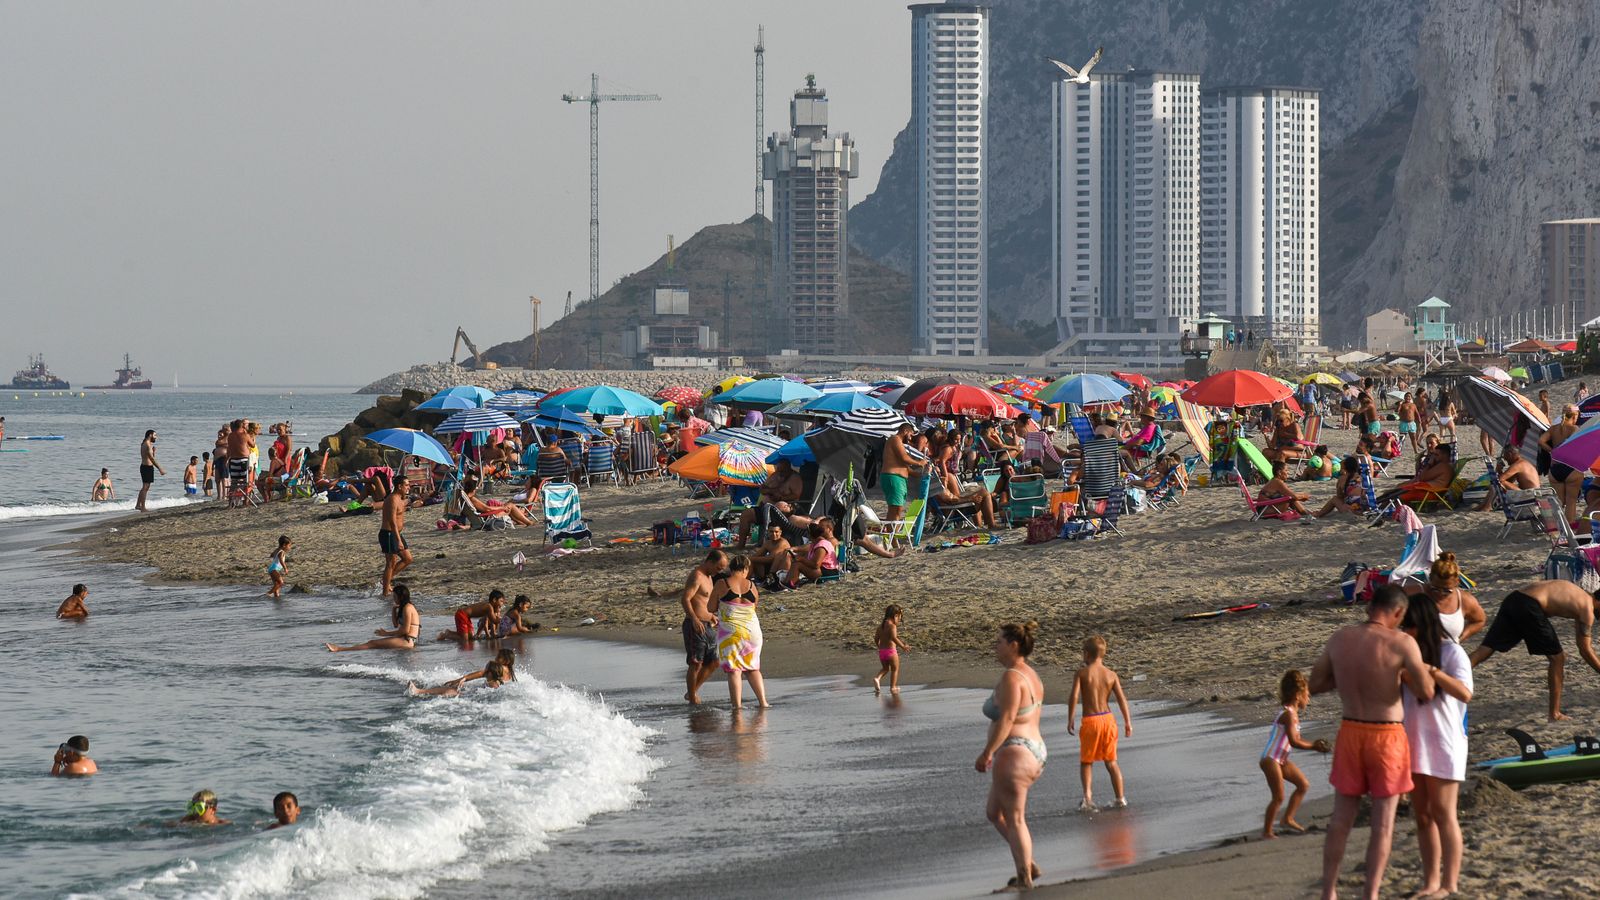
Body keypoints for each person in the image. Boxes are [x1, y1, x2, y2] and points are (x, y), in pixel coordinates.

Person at [1310, 585, 1435, 900]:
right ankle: (1371, 893)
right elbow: (1426, 692)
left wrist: (1349, 677)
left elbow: (1316, 683)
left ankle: (1329, 891)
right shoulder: (1402, 642)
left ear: (1370, 607)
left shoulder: (1340, 639)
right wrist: (1403, 674)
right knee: (1382, 824)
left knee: (1341, 820)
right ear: (1398, 612)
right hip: (1386, 734)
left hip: (1351, 728)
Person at [1400, 589, 1474, 900]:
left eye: (1409, 625)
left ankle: (1450, 883)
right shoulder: (1406, 654)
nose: (1405, 631)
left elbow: (1465, 693)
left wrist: (1432, 672)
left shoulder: (1452, 652)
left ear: (1423, 624)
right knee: (1423, 816)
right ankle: (1430, 882)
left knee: (1444, 814)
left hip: (1445, 741)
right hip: (1413, 741)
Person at [976, 621, 1046, 892]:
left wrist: (987, 752)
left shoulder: (1012, 678)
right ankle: (1029, 864)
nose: (995, 646)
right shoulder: (1030, 675)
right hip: (1033, 750)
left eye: (999, 642)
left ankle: (1025, 879)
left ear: (1014, 645)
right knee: (994, 813)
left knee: (1015, 818)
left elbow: (1006, 719)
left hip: (1016, 753)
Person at [1468, 579, 1600, 721]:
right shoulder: (1587, 609)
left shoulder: (1581, 596)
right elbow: (1585, 650)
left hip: (1514, 599)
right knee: (1557, 658)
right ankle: (1554, 714)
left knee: (1486, 648)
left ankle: (1453, 674)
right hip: (1530, 605)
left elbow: (1582, 645)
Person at [1259, 670, 1330, 839]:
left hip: (1281, 759)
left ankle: (1287, 818)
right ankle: (1267, 832)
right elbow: (1294, 741)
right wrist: (1314, 746)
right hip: (1270, 759)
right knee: (1278, 797)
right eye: (1307, 694)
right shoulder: (1288, 715)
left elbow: (1295, 739)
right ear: (1298, 695)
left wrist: (1314, 745)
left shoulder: (1293, 714)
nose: (1309, 698)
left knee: (1303, 785)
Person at [1067, 635, 1132, 810]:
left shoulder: (1082, 673)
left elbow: (1074, 696)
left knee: (1086, 761)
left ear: (1087, 654)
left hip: (1091, 721)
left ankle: (1088, 798)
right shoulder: (1111, 674)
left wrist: (1071, 717)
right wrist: (1127, 722)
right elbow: (1121, 699)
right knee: (1111, 761)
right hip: (1108, 720)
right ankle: (1120, 798)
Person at [711, 554, 770, 709]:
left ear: (731, 568)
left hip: (731, 632)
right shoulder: (751, 585)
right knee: (753, 668)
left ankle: (737, 706)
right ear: (745, 569)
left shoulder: (722, 583)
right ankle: (763, 702)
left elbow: (710, 607)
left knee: (734, 670)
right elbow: (753, 606)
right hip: (752, 631)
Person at [1403, 552, 1485, 644]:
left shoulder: (1464, 600)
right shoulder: (1413, 593)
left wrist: (1460, 638)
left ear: (1457, 582)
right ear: (1430, 578)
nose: (1441, 593)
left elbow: (1479, 621)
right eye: (1435, 589)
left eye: (1447, 591)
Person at [681, 551, 726, 705]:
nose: (719, 571)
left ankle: (692, 692)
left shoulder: (709, 577)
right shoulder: (697, 576)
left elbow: (703, 601)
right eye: (718, 568)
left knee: (714, 661)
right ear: (710, 562)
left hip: (708, 624)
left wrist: (711, 616)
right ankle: (693, 698)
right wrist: (694, 618)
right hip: (695, 625)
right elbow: (685, 599)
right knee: (696, 662)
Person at [326, 583, 420, 652]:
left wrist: (386, 633)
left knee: (372, 643)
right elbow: (396, 625)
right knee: (377, 648)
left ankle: (339, 649)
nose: (393, 599)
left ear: (401, 597)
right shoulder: (403, 607)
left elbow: (405, 631)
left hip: (407, 641)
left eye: (395, 597)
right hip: (404, 639)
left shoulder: (408, 608)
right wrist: (393, 610)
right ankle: (341, 649)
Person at [736, 459, 803, 547]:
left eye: (782, 470)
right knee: (745, 514)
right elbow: (762, 489)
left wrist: (781, 497)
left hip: (780, 512)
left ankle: (767, 543)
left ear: (788, 468)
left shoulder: (795, 478)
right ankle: (741, 545)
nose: (780, 472)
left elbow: (796, 495)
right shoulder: (774, 475)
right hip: (765, 507)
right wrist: (771, 491)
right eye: (778, 470)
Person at [1540, 405, 1583, 523]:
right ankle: (1570, 527)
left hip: (1555, 468)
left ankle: (1559, 526)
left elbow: (1541, 441)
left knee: (1559, 502)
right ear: (1575, 416)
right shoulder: (1575, 429)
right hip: (1571, 468)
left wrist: (1552, 451)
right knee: (1571, 501)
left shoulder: (1553, 429)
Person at [779, 518, 841, 589]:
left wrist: (801, 559)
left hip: (827, 573)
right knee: (796, 562)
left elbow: (816, 565)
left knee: (798, 564)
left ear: (810, 535)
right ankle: (787, 583)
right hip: (822, 570)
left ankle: (789, 584)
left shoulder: (822, 544)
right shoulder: (815, 544)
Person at [1475, 445, 1540, 512]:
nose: (1506, 460)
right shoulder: (1523, 462)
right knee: (1497, 484)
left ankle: (1487, 507)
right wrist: (1500, 471)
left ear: (1510, 454)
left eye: (1505, 457)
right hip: (1532, 494)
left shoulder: (1518, 465)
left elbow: (1500, 480)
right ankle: (1482, 506)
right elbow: (1509, 481)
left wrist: (1498, 470)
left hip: (1530, 495)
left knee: (1497, 484)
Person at [881, 422, 922, 525]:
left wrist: (920, 475)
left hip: (898, 479)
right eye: (911, 435)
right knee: (895, 509)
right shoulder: (895, 439)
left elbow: (904, 466)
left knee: (896, 509)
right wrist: (919, 463)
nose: (911, 438)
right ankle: (891, 534)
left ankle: (891, 533)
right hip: (894, 477)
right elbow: (904, 458)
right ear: (905, 431)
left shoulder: (898, 443)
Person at [379, 473, 412, 597]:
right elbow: (392, 521)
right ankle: (385, 593)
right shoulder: (392, 499)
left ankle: (386, 581)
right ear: (399, 486)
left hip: (396, 533)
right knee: (391, 563)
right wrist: (398, 540)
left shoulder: (400, 498)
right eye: (406, 485)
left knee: (408, 559)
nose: (408, 487)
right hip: (389, 534)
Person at [408, 660, 509, 697]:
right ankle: (421, 691)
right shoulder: (493, 680)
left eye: (486, 668)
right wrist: (462, 679)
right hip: (473, 694)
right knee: (453, 689)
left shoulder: (493, 684)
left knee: (450, 690)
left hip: (472, 697)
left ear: (490, 673)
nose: (484, 670)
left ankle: (418, 691)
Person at [436, 591, 506, 643]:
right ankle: (446, 634)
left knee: (470, 637)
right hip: (462, 614)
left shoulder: (489, 607)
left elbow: (485, 621)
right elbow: (494, 620)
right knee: (464, 640)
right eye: (501, 601)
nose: (502, 604)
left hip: (466, 616)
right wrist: (505, 619)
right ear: (494, 600)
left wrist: (481, 634)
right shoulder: (489, 607)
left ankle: (450, 632)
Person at [872, 604, 910, 695]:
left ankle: (877, 678)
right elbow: (894, 638)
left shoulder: (880, 626)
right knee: (895, 669)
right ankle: (893, 687)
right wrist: (903, 646)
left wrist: (879, 647)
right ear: (895, 615)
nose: (900, 619)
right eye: (900, 617)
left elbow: (876, 639)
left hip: (882, 652)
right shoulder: (892, 626)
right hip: (891, 652)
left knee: (885, 668)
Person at [136, 430, 164, 511]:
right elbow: (152, 459)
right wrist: (160, 468)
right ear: (150, 435)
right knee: (145, 487)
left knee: (145, 487)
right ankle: (143, 507)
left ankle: (138, 505)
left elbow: (150, 457)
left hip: (146, 467)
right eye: (155, 435)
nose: (156, 437)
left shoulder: (146, 444)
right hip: (146, 468)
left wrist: (154, 452)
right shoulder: (147, 445)